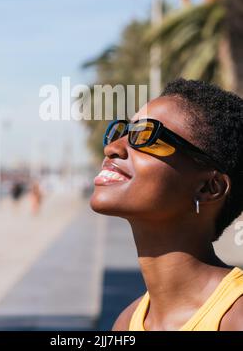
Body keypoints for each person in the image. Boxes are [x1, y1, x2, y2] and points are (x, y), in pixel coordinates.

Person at [91, 78, 243, 331]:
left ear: (208, 188)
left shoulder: (235, 318)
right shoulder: (127, 323)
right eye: (123, 132)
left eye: (146, 135)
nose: (113, 148)